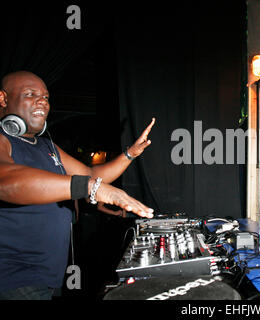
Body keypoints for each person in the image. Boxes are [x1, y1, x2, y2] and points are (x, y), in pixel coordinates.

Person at [0, 71, 155, 300]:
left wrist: (129, 154)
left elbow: (92, 173)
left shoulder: (47, 146)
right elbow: (4, 181)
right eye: (30, 94)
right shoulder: (3, 139)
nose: (42, 101)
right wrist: (89, 187)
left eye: (45, 96)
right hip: (14, 278)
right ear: (3, 99)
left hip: (48, 276)